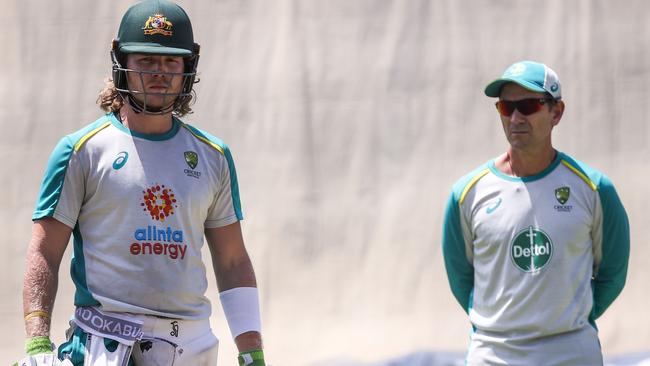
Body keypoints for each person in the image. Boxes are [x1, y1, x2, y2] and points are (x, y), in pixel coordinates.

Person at [17, 1, 266, 365]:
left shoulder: (213, 155)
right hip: (104, 343)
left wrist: (252, 351)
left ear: (188, 68)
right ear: (122, 64)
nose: (159, 73)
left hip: (192, 345)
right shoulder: (81, 150)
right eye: (146, 61)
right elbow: (44, 252)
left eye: (170, 62)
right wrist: (37, 345)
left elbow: (232, 261)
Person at [442, 60, 630, 365]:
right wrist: (502, 326)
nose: (515, 117)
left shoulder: (594, 188)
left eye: (528, 105)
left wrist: (567, 318)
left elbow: (613, 273)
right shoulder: (467, 192)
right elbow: (461, 278)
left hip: (570, 352)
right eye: (506, 107)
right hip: (493, 354)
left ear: (556, 112)